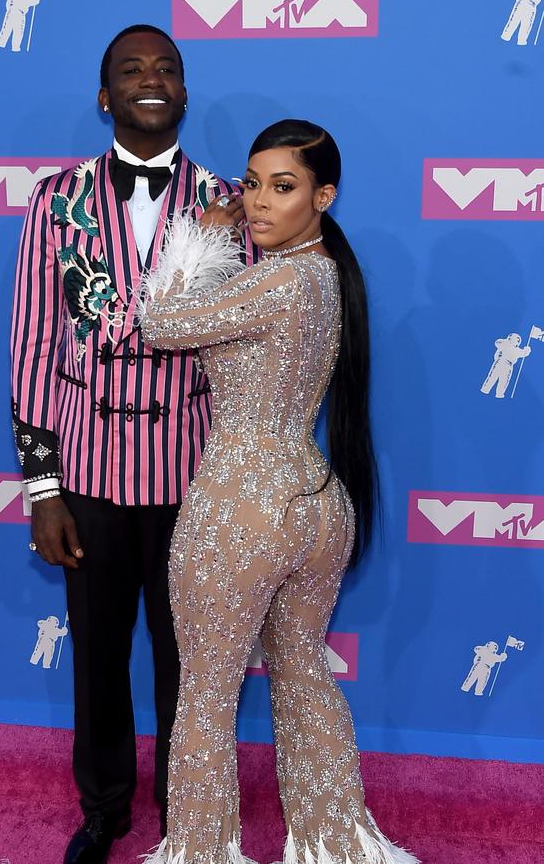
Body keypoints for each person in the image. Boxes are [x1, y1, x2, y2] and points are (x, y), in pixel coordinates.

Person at [138, 120, 419, 863]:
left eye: (283, 187)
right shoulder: (325, 275)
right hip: (318, 504)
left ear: (325, 196)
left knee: (204, 695)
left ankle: (198, 854)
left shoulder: (280, 279)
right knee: (304, 683)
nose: (259, 203)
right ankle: (338, 846)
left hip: (241, 508)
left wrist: (198, 239)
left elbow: (158, 321)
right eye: (252, 184)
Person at [9, 25, 252, 864]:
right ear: (104, 95)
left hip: (196, 474)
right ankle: (104, 808)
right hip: (89, 472)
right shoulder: (55, 200)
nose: (152, 80)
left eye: (167, 69)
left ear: (185, 93)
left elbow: (245, 352)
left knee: (192, 665)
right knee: (100, 659)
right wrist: (44, 490)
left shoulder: (228, 203)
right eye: (131, 70)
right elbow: (36, 345)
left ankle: (191, 813)